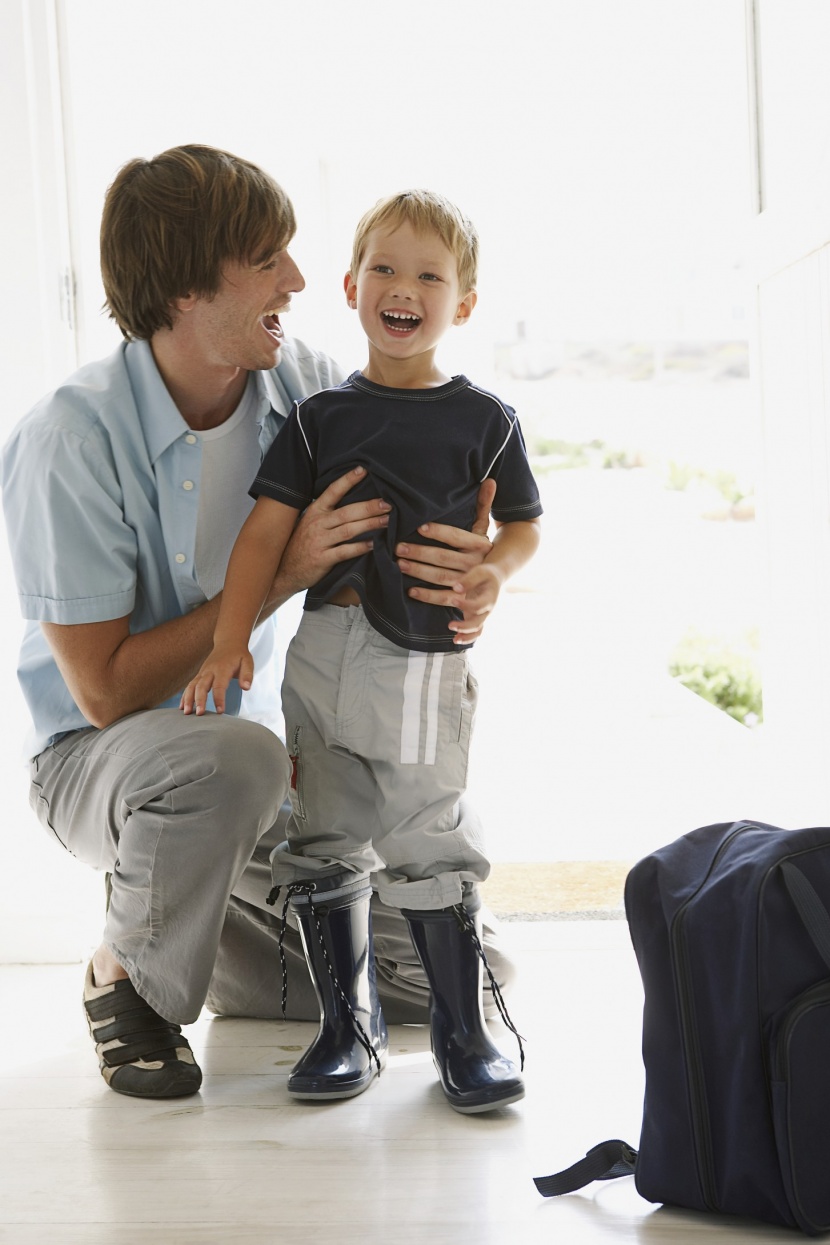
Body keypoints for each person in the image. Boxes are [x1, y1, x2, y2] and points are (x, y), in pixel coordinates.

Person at [0, 145, 514, 1101]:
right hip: (97, 759)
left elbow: (421, 472)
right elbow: (105, 690)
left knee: (455, 971)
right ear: (192, 287)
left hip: (255, 766)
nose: (300, 280)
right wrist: (282, 575)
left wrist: (468, 560)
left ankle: (188, 913)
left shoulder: (303, 388)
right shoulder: (68, 440)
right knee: (232, 754)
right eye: (269, 258)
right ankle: (129, 980)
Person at [182, 190, 542, 1112]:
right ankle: (350, 1025)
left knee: (427, 831)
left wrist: (494, 572)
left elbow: (524, 528)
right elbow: (264, 537)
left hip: (424, 657)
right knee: (325, 832)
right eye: (385, 267)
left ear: (462, 304)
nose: (403, 286)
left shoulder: (486, 421)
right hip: (324, 656)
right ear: (350, 286)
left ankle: (466, 1034)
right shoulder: (318, 418)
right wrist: (229, 643)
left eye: (430, 274)